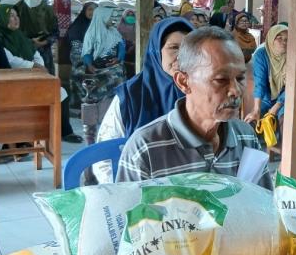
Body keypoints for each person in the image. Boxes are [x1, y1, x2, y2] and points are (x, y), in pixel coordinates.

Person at [116, 26, 272, 189]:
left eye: (240, 78)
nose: (236, 90)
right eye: (221, 79)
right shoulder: (145, 148)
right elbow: (128, 205)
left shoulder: (245, 136)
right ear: (184, 82)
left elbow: (263, 199)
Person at [95, 17, 193, 181]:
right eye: (174, 48)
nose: (182, 56)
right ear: (156, 51)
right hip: (138, 188)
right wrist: (122, 190)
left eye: (189, 49)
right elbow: (104, 158)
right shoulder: (130, 96)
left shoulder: (203, 92)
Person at [0, 5, 82, 143]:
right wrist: (33, 66)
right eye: (11, 16)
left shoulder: (20, 36)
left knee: (61, 92)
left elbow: (35, 53)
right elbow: (11, 60)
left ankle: (65, 131)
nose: (16, 19)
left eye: (16, 15)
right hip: (13, 80)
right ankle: (22, 138)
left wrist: (39, 66)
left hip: (33, 76)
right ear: (1, 19)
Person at [79, 2, 126, 104]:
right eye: (110, 17)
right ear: (102, 17)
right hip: (98, 66)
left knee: (118, 74)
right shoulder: (91, 33)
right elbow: (87, 51)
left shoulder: (114, 31)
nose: (112, 20)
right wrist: (89, 65)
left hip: (114, 64)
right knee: (112, 78)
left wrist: (118, 58)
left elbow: (121, 46)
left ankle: (116, 103)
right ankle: (103, 103)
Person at [245, 24, 287, 131]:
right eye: (279, 38)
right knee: (251, 123)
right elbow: (260, 83)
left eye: (287, 39)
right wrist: (256, 110)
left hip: (285, 99)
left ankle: (283, 143)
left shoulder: (291, 56)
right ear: (271, 39)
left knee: (285, 120)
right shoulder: (262, 54)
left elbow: (290, 86)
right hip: (266, 98)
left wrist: (277, 106)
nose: (284, 42)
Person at [14, 0, 59, 75]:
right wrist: (30, 42)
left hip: (44, 52)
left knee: (46, 78)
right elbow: (12, 32)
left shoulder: (48, 11)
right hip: (24, 52)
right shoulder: (17, 9)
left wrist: (43, 42)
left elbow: (55, 32)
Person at [67, 1, 97, 109]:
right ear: (84, 11)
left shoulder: (99, 26)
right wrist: (88, 62)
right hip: (80, 60)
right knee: (80, 74)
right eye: (90, 9)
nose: (92, 12)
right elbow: (77, 50)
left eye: (95, 10)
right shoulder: (77, 26)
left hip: (96, 60)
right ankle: (79, 107)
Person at [117, 7, 136, 79]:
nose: (130, 17)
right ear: (124, 16)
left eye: (132, 15)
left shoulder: (138, 27)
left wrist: (134, 44)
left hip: (135, 51)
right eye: (128, 15)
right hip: (123, 52)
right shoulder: (119, 27)